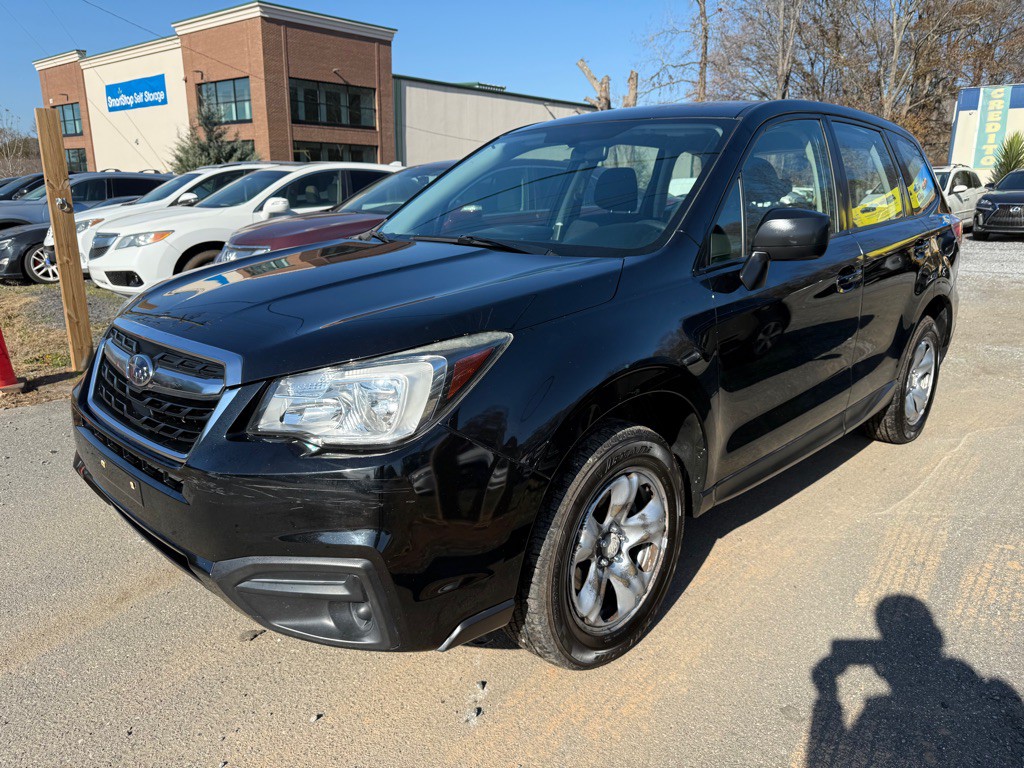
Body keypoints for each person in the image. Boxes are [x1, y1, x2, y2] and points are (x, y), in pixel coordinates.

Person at [806, 595, 1024, 767]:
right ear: (936, 637)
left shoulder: (877, 716)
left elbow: (826, 758)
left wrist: (827, 693)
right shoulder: (993, 696)